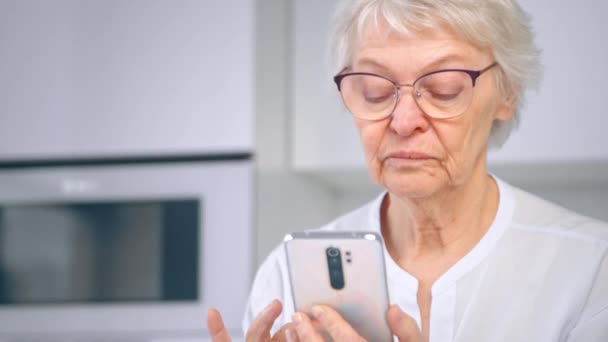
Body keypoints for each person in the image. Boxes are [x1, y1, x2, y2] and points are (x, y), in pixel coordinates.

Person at [208, 0, 608, 341]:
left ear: (507, 92)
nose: (403, 122)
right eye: (375, 91)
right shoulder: (286, 275)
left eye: (444, 89)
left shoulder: (590, 269)